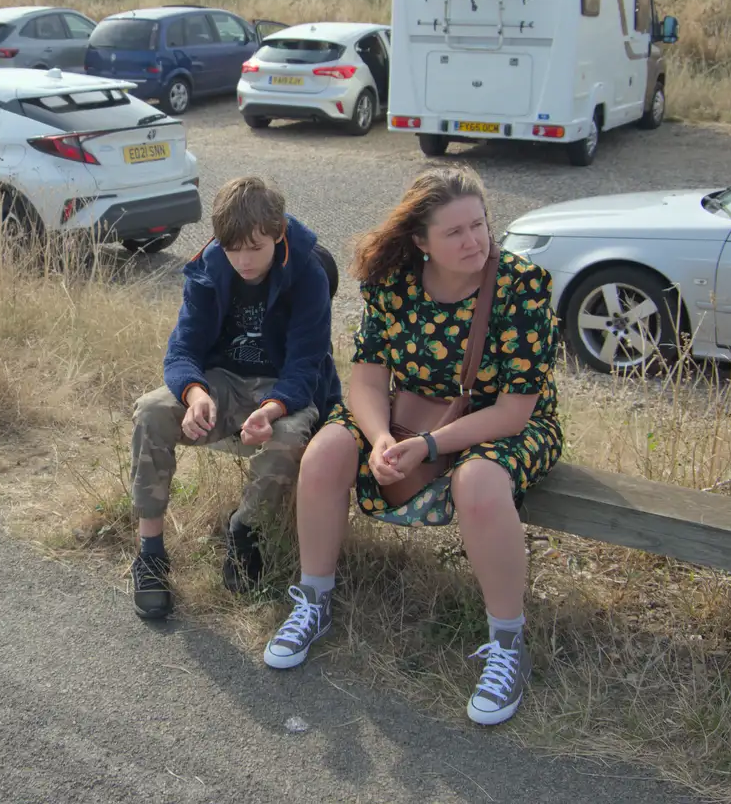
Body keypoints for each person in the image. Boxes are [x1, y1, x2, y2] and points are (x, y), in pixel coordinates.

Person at [260, 165, 562, 729]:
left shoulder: (521, 285)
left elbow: (514, 411)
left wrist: (428, 444)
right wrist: (378, 439)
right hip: (407, 411)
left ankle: (508, 645)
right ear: (421, 242)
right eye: (455, 232)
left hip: (504, 422)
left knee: (477, 483)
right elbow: (369, 380)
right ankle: (314, 601)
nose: (475, 241)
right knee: (327, 450)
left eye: (480, 225)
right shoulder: (391, 283)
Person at [130, 176, 340, 619]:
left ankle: (245, 530)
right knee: (151, 411)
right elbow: (183, 348)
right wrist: (194, 393)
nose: (243, 260)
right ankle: (150, 552)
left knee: (288, 435)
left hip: (282, 388)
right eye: (233, 249)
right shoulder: (209, 266)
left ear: (278, 231)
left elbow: (307, 365)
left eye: (254, 247)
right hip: (223, 380)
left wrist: (271, 408)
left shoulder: (308, 273)